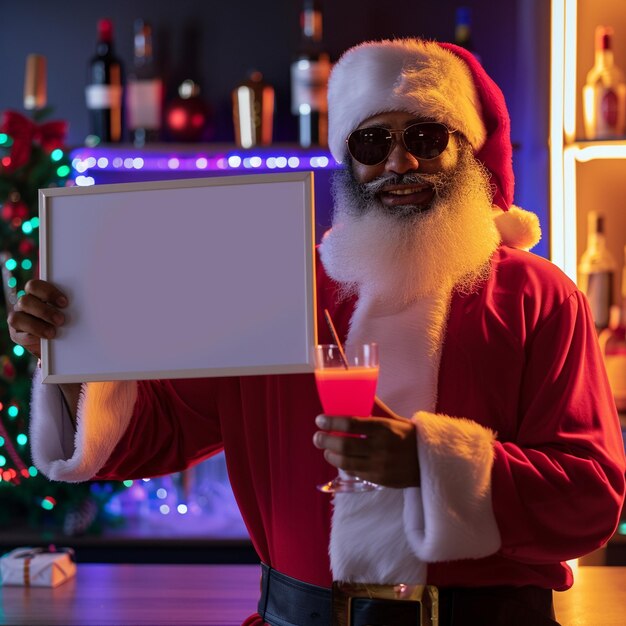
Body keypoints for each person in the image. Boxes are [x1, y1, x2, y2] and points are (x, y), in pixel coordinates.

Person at [8, 39, 626, 626]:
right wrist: (73, 358)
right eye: (372, 141)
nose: (398, 160)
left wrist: (425, 463)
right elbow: (155, 434)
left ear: (466, 151)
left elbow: (591, 498)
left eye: (426, 136)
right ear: (348, 161)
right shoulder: (274, 290)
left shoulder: (541, 298)